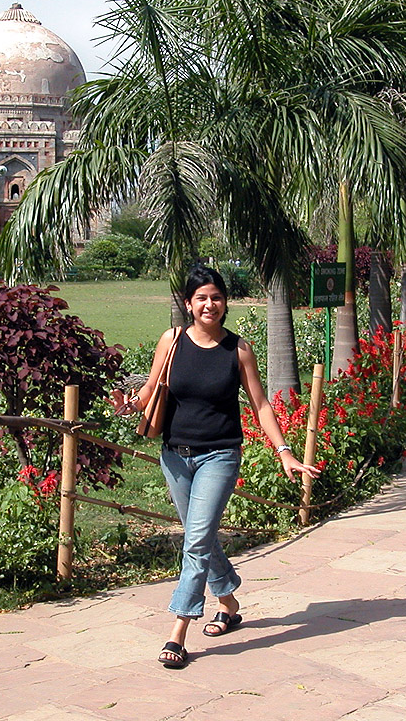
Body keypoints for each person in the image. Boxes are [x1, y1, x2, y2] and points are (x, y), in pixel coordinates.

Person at [111, 265, 320, 669]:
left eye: (217, 297)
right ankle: (228, 602)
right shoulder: (171, 341)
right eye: (201, 298)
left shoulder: (238, 350)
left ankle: (178, 630)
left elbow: (260, 405)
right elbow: (150, 391)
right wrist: (128, 406)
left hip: (220, 456)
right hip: (174, 456)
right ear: (189, 304)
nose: (210, 304)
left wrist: (284, 451)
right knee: (200, 536)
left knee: (195, 540)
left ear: (225, 303)